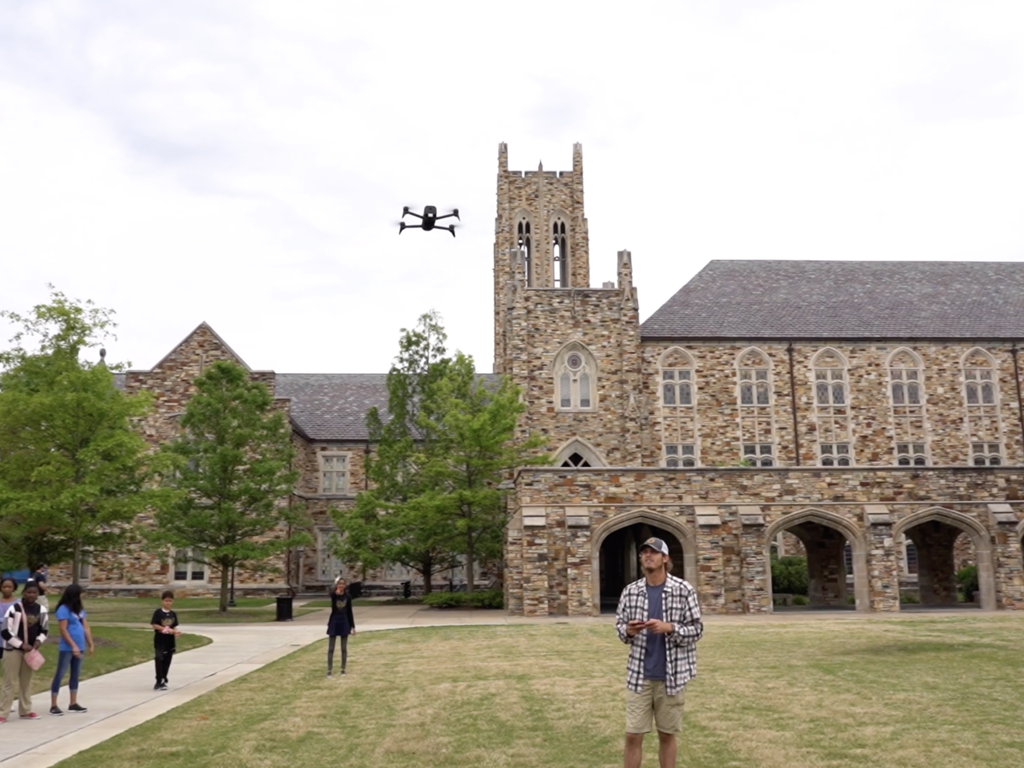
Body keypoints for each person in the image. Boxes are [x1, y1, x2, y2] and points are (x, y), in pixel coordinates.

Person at [616, 537, 703, 768]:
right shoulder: (630, 591)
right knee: (633, 735)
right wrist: (629, 630)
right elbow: (620, 629)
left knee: (667, 735)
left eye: (653, 552)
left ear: (665, 558)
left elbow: (697, 630)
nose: (648, 556)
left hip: (672, 677)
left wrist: (670, 627)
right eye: (644, 552)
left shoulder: (683, 590)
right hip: (639, 677)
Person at [0, 580, 49, 722]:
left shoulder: (41, 610)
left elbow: (44, 630)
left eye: (34, 592)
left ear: (38, 594)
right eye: (29, 592)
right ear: (23, 593)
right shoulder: (14, 609)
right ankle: (3, 713)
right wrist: (21, 645)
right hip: (13, 650)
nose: (31, 595)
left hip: (30, 651)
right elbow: (5, 632)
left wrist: (39, 640)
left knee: (26, 682)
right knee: (10, 682)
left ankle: (25, 710)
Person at [49, 584, 94, 715]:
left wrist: (90, 643)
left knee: (75, 674)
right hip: (67, 648)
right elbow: (63, 629)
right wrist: (73, 646)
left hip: (80, 646)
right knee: (60, 674)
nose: (82, 596)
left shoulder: (79, 610)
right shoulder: (63, 609)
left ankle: (73, 703)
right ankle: (53, 704)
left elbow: (85, 627)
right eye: (80, 594)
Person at [150, 590, 181, 691]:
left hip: (170, 641)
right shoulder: (158, 613)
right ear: (162, 601)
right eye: (166, 600)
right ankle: (158, 681)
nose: (168, 603)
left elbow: (174, 626)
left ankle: (163, 678)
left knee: (167, 660)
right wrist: (167, 629)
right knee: (159, 658)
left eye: (170, 601)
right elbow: (154, 625)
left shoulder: (173, 614)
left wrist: (176, 632)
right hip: (160, 639)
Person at [326, 577, 356, 677]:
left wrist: (353, 626)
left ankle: (343, 669)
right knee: (331, 648)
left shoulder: (348, 596)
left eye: (343, 584)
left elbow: (349, 612)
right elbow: (331, 593)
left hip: (344, 622)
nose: (341, 586)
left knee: (344, 648)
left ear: (345, 585)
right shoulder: (334, 595)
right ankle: (329, 670)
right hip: (334, 621)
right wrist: (335, 591)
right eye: (339, 584)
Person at [0, 578, 18, 666]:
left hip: (13, 639)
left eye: (9, 587)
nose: (7, 589)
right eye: (4, 587)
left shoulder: (19, 603)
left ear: (14, 588)